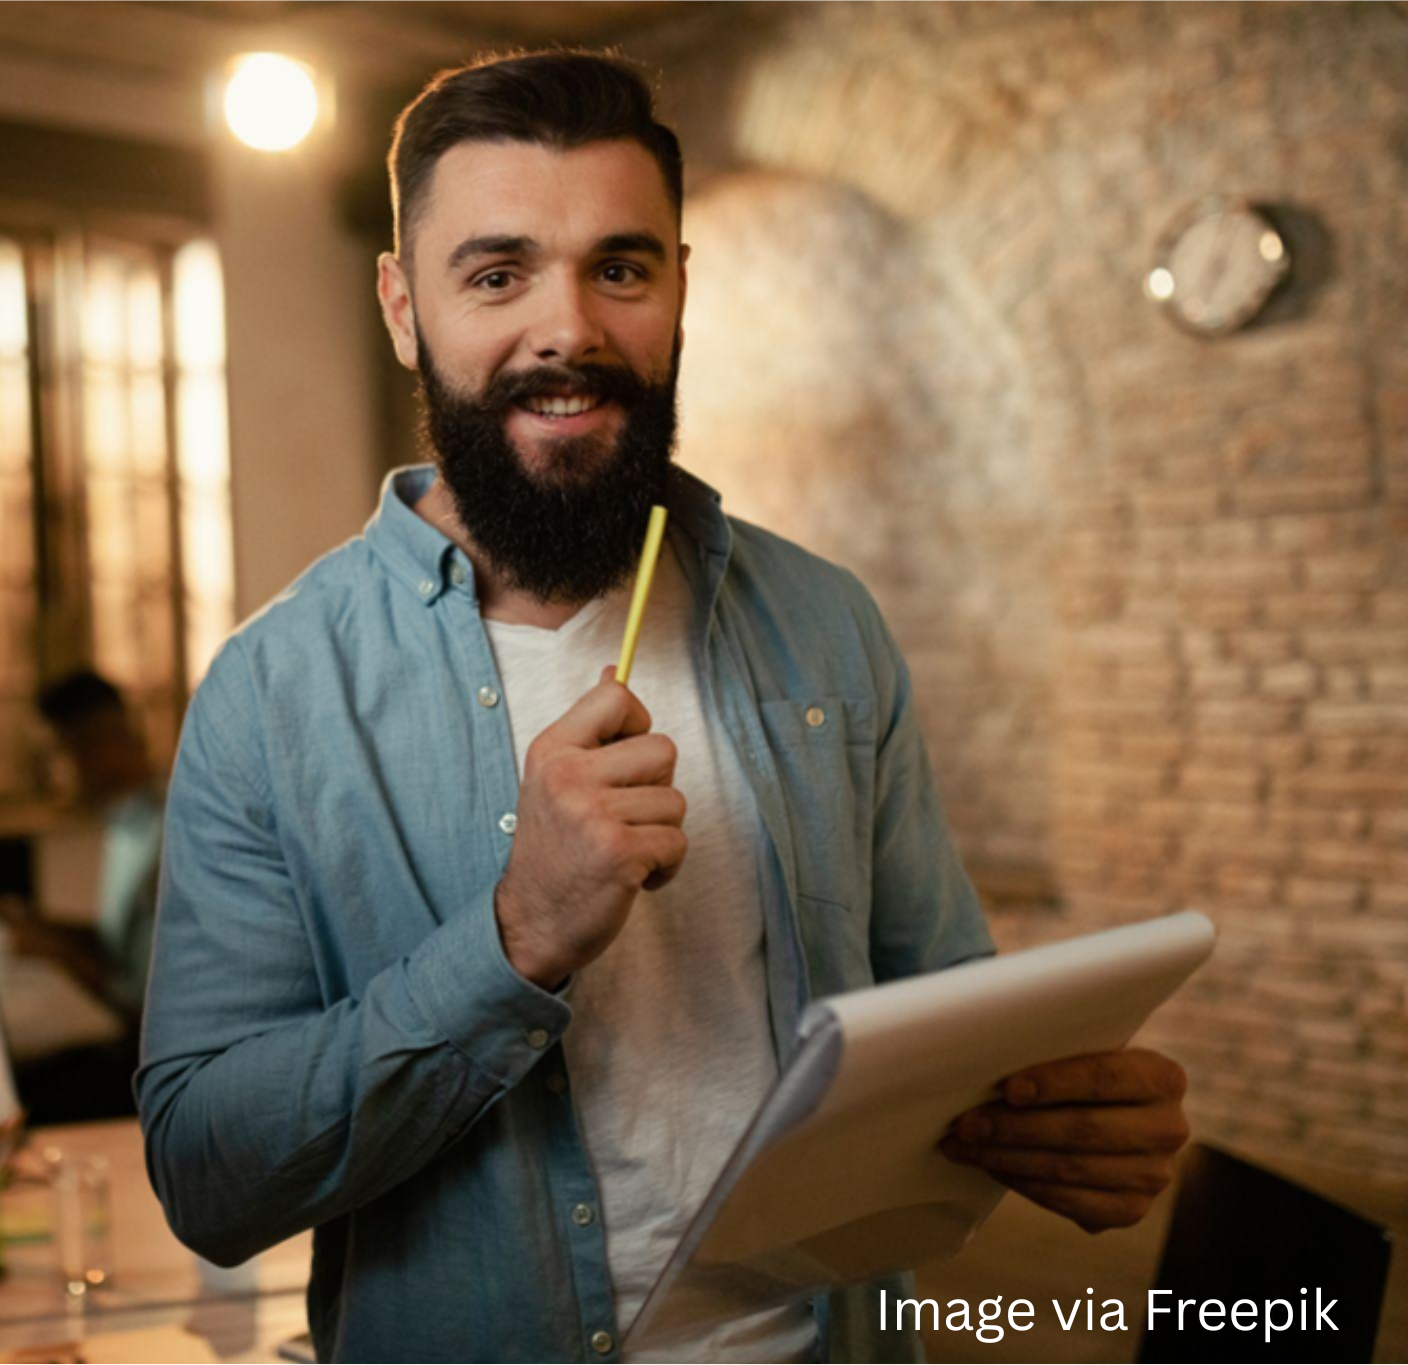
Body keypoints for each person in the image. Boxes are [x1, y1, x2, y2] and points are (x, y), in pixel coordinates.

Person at [137, 52, 1189, 1364]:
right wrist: (516, 939)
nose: (567, 328)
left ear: (678, 290)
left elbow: (942, 1020)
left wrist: (1054, 1119)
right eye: (497, 272)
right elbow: (206, 1176)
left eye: (619, 269)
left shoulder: (825, 624)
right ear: (404, 308)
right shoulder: (270, 693)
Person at [35, 670, 164, 1024]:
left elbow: (142, 1000)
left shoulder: (166, 835)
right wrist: (47, 931)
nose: (54, 775)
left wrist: (58, 954)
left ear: (97, 747)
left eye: (59, 754)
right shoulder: (126, 823)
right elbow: (121, 948)